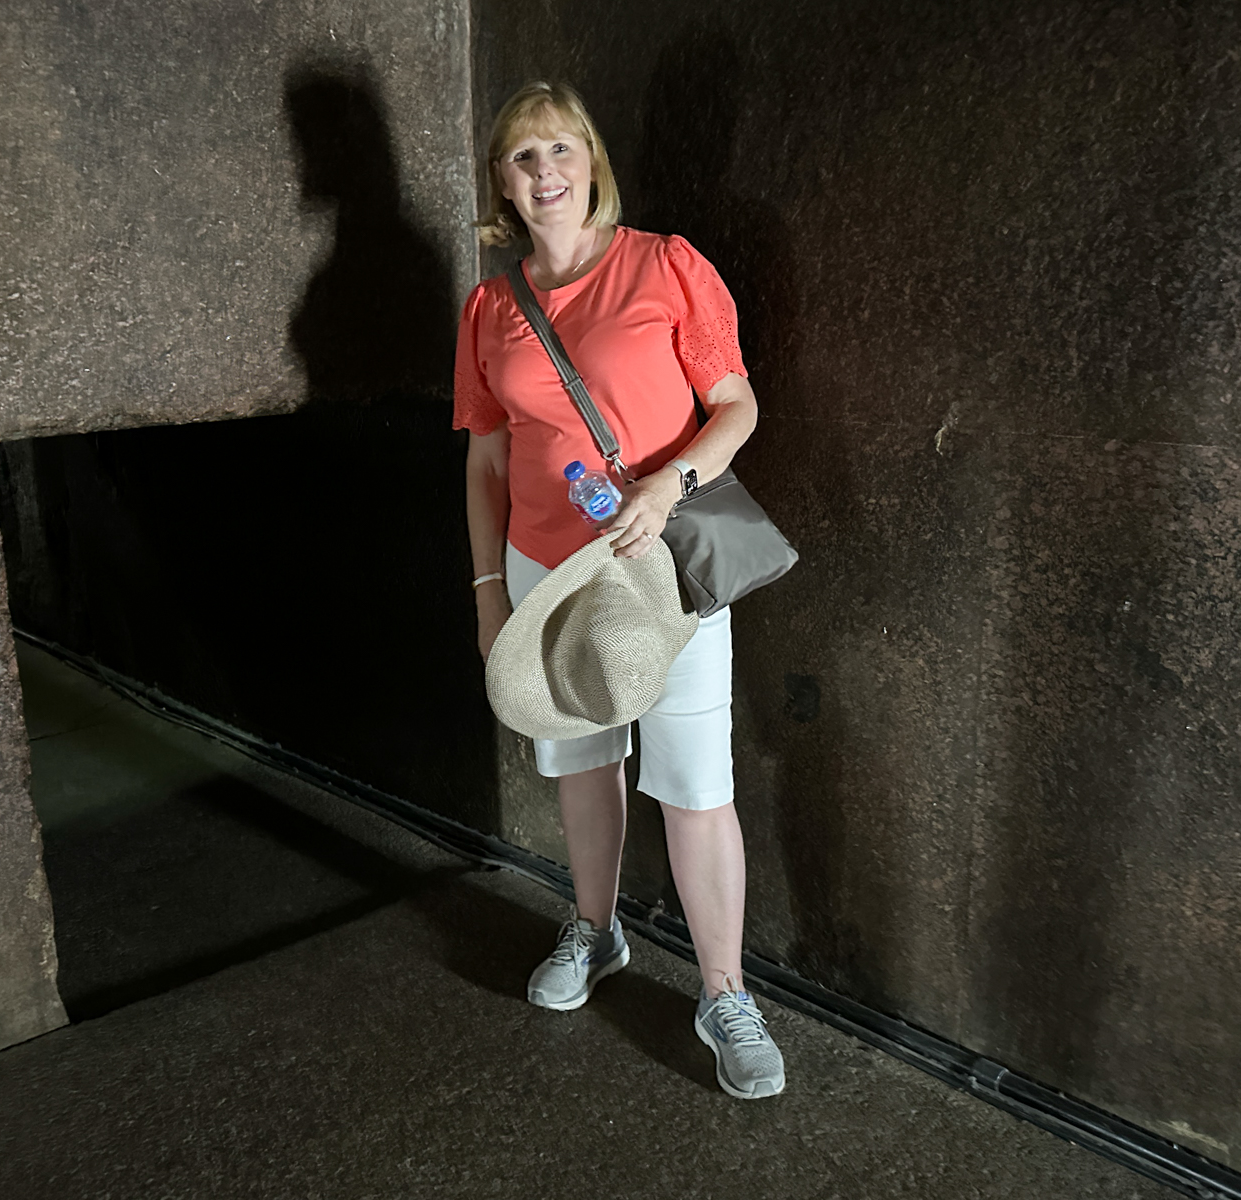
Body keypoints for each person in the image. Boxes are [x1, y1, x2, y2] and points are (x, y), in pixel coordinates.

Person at [453, 81, 785, 1100]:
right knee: (581, 767)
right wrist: (485, 593)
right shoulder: (491, 305)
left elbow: (735, 406)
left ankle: (724, 992)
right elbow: (485, 462)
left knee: (693, 780)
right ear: (503, 184)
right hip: (543, 572)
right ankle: (593, 933)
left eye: (561, 150)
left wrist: (667, 481)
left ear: (591, 161)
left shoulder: (664, 264)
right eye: (522, 158)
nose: (545, 172)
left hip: (660, 567)